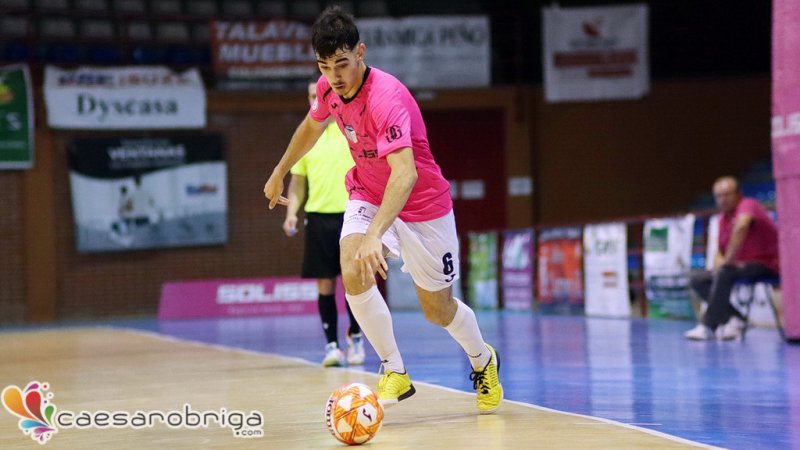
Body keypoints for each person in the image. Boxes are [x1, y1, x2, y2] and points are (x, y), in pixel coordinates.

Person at [264, 6, 503, 414]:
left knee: (438, 309)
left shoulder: (385, 98)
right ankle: (394, 369)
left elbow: (405, 174)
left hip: (422, 205)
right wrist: (280, 170)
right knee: (352, 265)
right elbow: (311, 126)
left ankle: (483, 359)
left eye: (342, 64)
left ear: (360, 52)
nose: (334, 76)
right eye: (325, 67)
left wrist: (376, 234)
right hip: (369, 191)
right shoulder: (328, 88)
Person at [283, 77, 364, 367]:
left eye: (319, 95)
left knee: (354, 281)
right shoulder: (306, 136)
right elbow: (297, 183)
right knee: (325, 284)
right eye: (311, 96)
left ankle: (356, 336)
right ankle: (332, 346)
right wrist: (292, 213)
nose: (315, 101)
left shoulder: (349, 129)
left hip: (352, 214)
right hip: (318, 218)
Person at [685, 176, 779, 340]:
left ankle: (708, 326)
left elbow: (742, 226)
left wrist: (727, 262)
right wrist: (717, 268)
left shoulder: (748, 205)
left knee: (725, 272)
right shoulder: (723, 218)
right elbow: (720, 251)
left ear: (738, 194)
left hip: (766, 264)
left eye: (727, 194)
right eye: (718, 196)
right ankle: (736, 318)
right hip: (740, 268)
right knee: (698, 279)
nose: (723, 200)